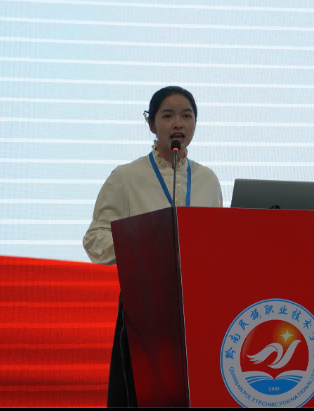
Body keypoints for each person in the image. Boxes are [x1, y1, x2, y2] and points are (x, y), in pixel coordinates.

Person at [83, 86, 223, 407]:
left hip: (197, 308)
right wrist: (143, 246)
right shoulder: (126, 177)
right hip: (145, 305)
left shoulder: (208, 179)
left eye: (187, 116)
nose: (178, 123)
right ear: (151, 124)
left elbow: (215, 241)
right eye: (168, 115)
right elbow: (95, 239)